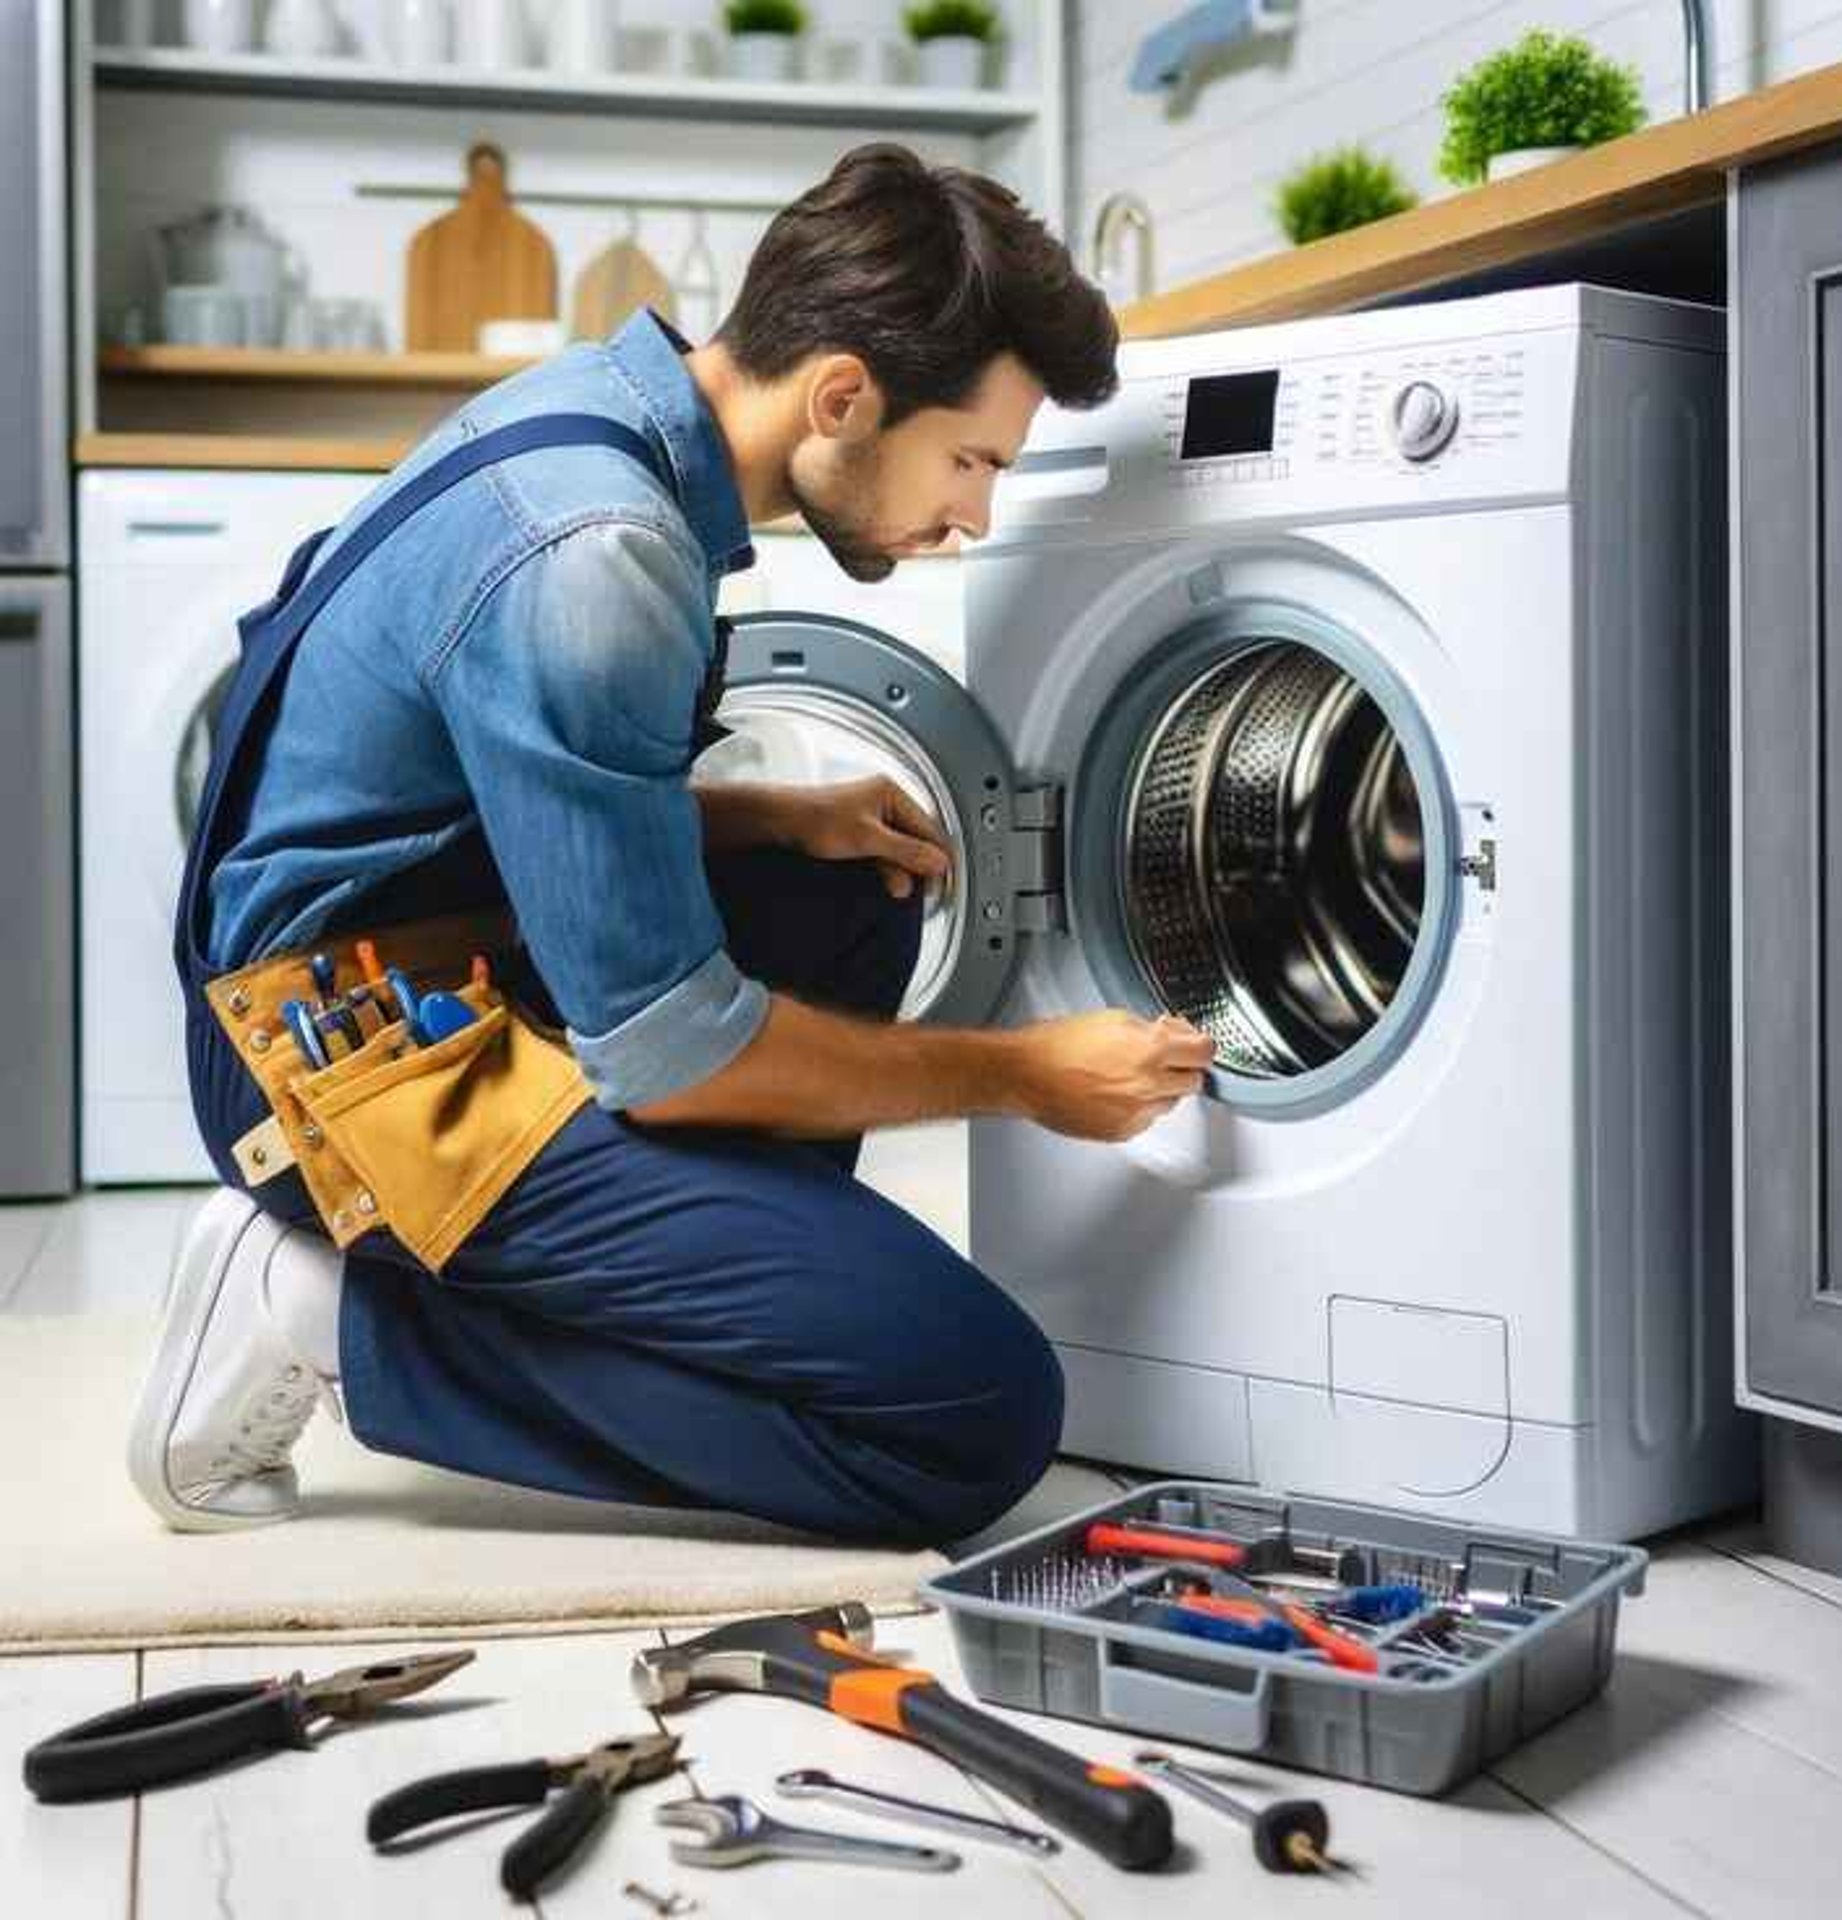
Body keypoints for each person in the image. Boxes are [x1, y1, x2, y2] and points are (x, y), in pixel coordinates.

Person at [127, 142, 1215, 1550]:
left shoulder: (606, 408)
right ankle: (326, 1314)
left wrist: (775, 813)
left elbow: (496, 787)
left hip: (401, 955)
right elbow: (673, 1051)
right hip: (332, 1067)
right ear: (842, 396)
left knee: (847, 892)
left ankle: (703, 1300)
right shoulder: (604, 548)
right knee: (974, 1413)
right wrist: (1028, 1078)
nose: (972, 513)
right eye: (969, 458)